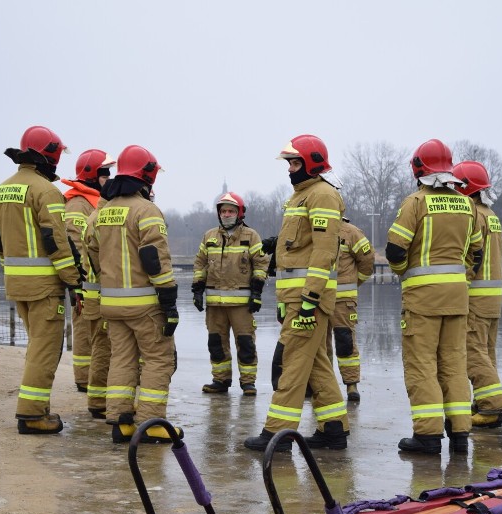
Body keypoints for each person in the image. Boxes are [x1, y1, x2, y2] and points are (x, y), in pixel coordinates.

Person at [244, 134, 350, 452]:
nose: (289, 169)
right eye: (289, 163)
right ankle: (333, 429)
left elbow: (323, 251)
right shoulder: (301, 197)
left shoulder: (322, 195)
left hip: (308, 299)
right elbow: (300, 247)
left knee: (292, 362)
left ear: (312, 163)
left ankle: (278, 433)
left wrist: (310, 299)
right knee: (315, 363)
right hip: (296, 297)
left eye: (295, 162)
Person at [385, 139, 482, 455]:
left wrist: (404, 272)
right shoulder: (467, 205)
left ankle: (427, 435)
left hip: (423, 299)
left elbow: (395, 250)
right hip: (458, 298)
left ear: (418, 169)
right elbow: (476, 253)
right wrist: (460, 277)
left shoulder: (415, 203)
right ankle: (460, 434)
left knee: (422, 363)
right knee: (454, 363)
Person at [0, 125, 83, 435]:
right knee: (46, 349)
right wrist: (73, 281)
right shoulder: (47, 192)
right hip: (44, 286)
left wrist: (10, 268)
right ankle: (31, 415)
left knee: (36, 346)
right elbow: (56, 241)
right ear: (50, 157)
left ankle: (35, 409)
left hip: (17, 284)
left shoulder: (3, 189)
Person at [86, 145, 182, 444]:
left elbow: (90, 251)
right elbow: (155, 258)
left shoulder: (102, 212)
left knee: (122, 358)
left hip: (112, 303)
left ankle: (120, 420)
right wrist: (169, 299)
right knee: (158, 359)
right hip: (144, 303)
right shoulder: (146, 210)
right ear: (147, 176)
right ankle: (152, 423)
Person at [192, 191, 270, 396]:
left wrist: (257, 292)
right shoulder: (209, 236)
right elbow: (200, 263)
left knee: (245, 344)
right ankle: (220, 381)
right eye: (223, 211)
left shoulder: (251, 236)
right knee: (216, 344)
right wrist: (197, 289)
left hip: (241, 304)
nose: (226, 214)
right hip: (215, 305)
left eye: (231, 211)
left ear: (239, 213)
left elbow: (261, 264)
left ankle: (248, 383)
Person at [452, 161, 502, 428]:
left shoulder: (472, 214)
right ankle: (485, 402)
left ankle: (490, 408)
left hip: (475, 296)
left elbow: (471, 257)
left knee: (473, 352)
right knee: (486, 352)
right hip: (493, 297)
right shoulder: (491, 214)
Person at [61, 149, 115, 395]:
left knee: (96, 334)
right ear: (93, 175)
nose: (109, 178)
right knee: (84, 332)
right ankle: (84, 379)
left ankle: (91, 377)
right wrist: (79, 284)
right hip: (85, 284)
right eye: (105, 174)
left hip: (95, 283)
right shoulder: (78, 204)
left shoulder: (92, 200)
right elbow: (76, 244)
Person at [327, 217, 374, 401]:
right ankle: (323, 385)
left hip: (343, 299)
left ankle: (351, 385)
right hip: (316, 299)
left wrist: (355, 281)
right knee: (318, 346)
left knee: (345, 341)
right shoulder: (313, 228)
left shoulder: (350, 232)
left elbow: (367, 258)